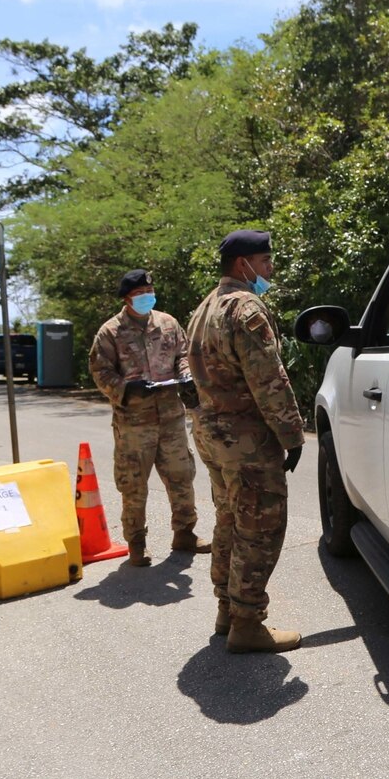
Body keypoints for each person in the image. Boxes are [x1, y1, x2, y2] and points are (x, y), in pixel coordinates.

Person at [187, 230, 305, 654]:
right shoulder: (245, 307)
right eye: (266, 261)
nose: (270, 270)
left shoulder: (204, 307)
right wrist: (291, 435)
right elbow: (268, 378)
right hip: (246, 440)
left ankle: (227, 609)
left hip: (211, 433)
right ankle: (247, 623)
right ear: (244, 265)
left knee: (230, 521)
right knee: (260, 528)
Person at [89, 268, 209, 567]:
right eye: (139, 294)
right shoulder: (110, 332)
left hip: (170, 416)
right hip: (134, 422)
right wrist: (127, 390)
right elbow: (100, 371)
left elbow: (183, 354)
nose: (146, 298)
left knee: (182, 476)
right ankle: (136, 543)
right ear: (127, 299)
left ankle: (185, 532)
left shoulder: (168, 323)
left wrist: (185, 374)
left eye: (148, 293)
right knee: (133, 484)